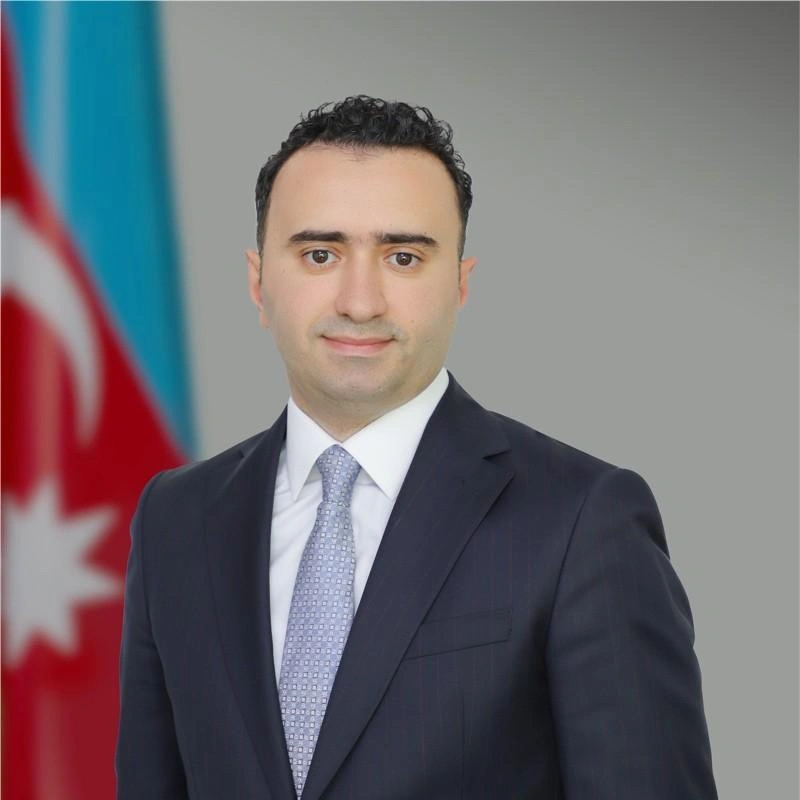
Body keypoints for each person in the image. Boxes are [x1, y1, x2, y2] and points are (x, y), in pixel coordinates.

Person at [116, 95, 717, 800]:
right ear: (257, 282)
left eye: (403, 257)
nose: (360, 301)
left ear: (459, 284)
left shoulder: (583, 520)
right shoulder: (176, 519)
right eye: (319, 254)